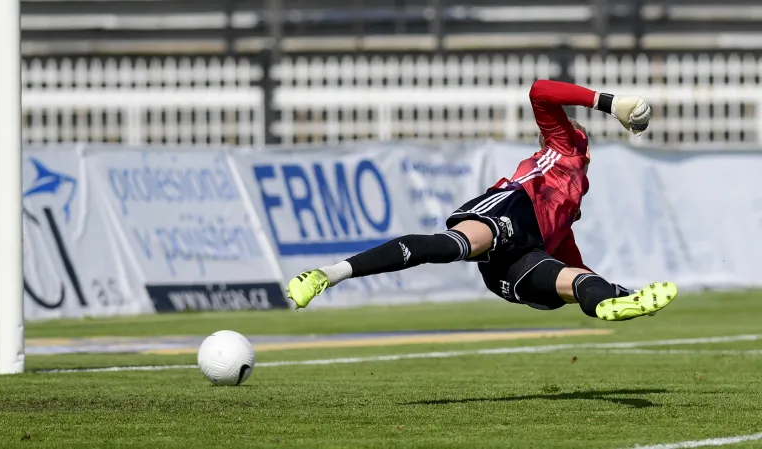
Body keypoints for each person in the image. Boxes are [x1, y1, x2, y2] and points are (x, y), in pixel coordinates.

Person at [286, 79, 677, 321]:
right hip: (513, 207)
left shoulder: (572, 202)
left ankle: (611, 306)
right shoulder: (564, 147)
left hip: (519, 257)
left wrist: (612, 290)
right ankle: (329, 274)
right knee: (455, 245)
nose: (567, 125)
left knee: (573, 282)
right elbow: (541, 90)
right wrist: (609, 103)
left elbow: (570, 256)